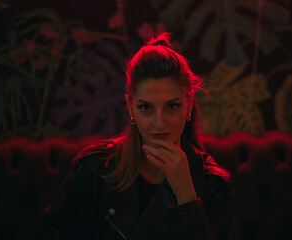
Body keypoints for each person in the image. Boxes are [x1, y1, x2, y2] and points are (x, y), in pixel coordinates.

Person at [38, 32, 237, 240]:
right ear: (131, 107)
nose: (159, 123)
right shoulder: (95, 168)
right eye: (146, 108)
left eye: (172, 106)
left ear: (188, 107)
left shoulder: (216, 187)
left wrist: (186, 198)